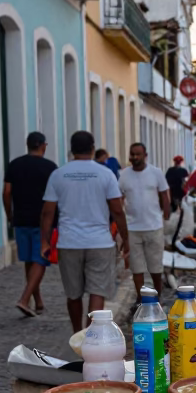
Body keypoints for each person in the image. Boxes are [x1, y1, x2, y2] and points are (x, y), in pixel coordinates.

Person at [40, 130, 130, 334]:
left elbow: (47, 212)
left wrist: (45, 242)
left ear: (71, 150)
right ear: (92, 148)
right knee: (97, 292)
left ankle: (76, 333)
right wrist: (125, 237)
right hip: (100, 242)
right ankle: (91, 338)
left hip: (69, 242)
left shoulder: (58, 174)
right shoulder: (106, 173)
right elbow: (117, 210)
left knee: (73, 294)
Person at [2, 131, 57, 317]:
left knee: (29, 260)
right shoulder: (50, 167)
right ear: (43, 146)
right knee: (41, 259)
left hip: (21, 219)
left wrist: (9, 214)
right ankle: (25, 299)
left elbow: (7, 192)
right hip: (43, 222)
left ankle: (38, 301)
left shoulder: (14, 165)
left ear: (28, 145)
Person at [118, 142, 171, 302]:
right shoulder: (123, 175)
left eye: (138, 154)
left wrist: (166, 215)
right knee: (136, 267)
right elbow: (119, 199)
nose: (134, 157)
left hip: (154, 226)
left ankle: (157, 295)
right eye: (132, 154)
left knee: (155, 266)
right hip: (132, 228)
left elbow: (164, 195)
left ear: (145, 155)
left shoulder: (156, 173)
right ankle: (141, 299)